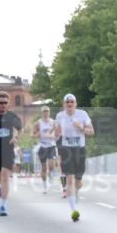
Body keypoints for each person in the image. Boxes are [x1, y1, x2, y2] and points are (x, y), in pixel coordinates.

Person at [54, 94, 94, 222]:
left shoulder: (82, 114)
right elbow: (55, 134)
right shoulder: (60, 116)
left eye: (72, 101)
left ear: (75, 104)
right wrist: (57, 133)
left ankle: (76, 192)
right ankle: (74, 210)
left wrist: (81, 127)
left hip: (80, 150)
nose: (70, 104)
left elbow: (91, 131)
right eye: (67, 102)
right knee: (69, 180)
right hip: (66, 150)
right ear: (64, 104)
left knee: (78, 182)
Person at [33, 106, 59, 193]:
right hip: (42, 146)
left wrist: (54, 137)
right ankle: (45, 185)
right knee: (44, 168)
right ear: (42, 113)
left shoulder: (53, 122)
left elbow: (58, 133)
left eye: (47, 111)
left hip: (51, 145)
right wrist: (37, 135)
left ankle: (50, 175)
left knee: (52, 165)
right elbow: (32, 134)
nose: (46, 113)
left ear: (49, 112)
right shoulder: (38, 123)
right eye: (44, 111)